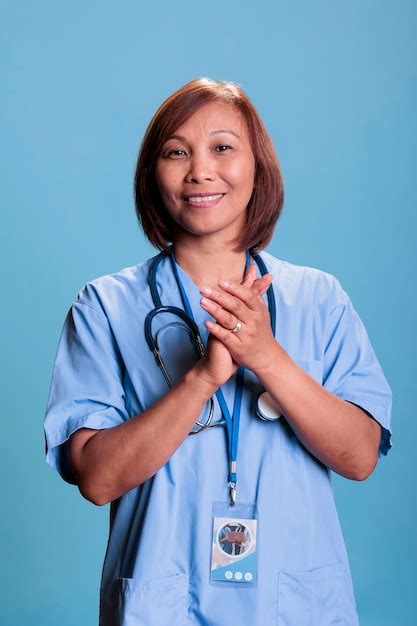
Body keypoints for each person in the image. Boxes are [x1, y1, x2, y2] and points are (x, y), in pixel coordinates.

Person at [43, 77, 393, 626]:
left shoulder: (319, 299)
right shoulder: (105, 307)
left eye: (222, 148)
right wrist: (202, 378)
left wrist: (267, 357)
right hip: (162, 607)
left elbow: (360, 457)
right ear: (151, 174)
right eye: (176, 152)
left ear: (259, 167)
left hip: (295, 606)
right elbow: (96, 478)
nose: (199, 171)